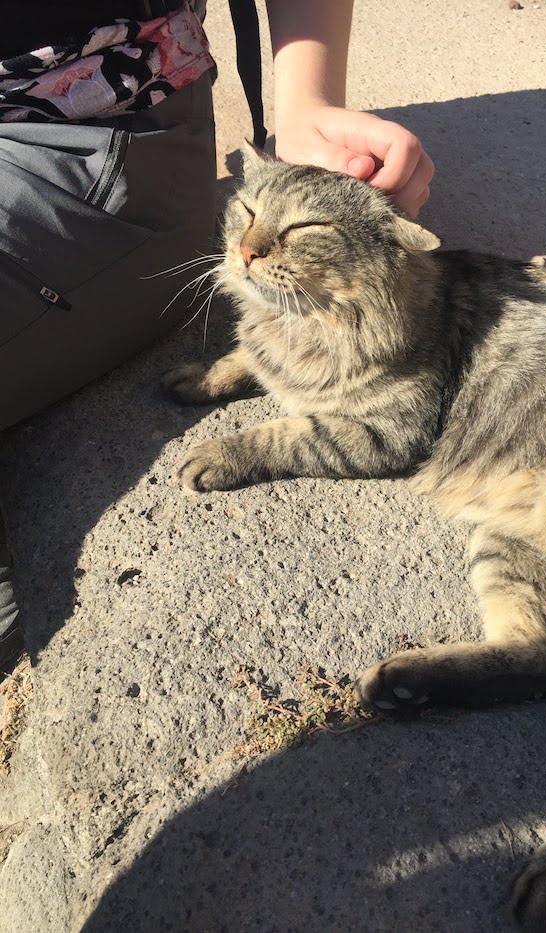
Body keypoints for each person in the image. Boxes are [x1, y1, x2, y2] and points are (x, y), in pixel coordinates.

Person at [0, 0, 434, 671]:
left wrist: (304, 100)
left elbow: (396, 427)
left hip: (76, 120)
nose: (252, 249)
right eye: (252, 217)